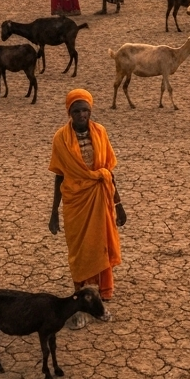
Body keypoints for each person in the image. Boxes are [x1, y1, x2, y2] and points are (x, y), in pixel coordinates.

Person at [49, 90, 124, 327]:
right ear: (69, 112)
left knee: (100, 244)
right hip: (75, 202)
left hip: (100, 198)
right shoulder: (61, 139)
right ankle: (80, 297)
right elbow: (59, 176)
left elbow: (108, 172)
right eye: (76, 111)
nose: (81, 115)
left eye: (85, 110)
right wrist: (54, 212)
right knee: (80, 251)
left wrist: (119, 204)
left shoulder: (100, 132)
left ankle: (102, 290)